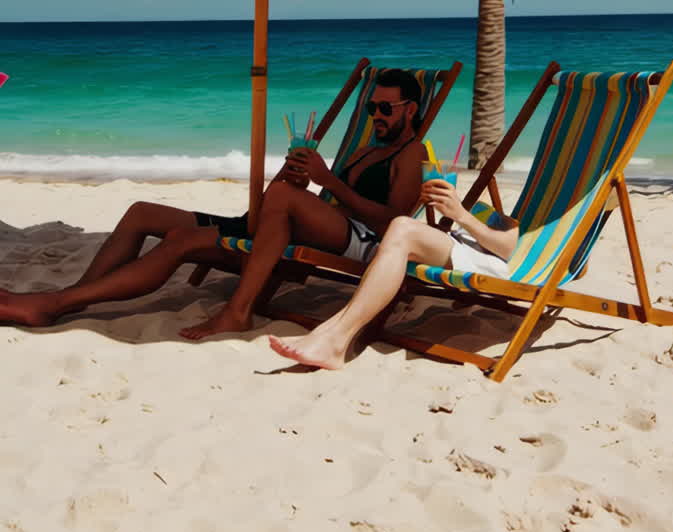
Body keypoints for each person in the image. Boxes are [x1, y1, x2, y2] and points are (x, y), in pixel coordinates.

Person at [0, 70, 426, 333]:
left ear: (411, 109)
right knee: (141, 213)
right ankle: (74, 297)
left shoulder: (411, 154)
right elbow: (303, 199)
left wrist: (327, 180)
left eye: (385, 109)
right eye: (371, 108)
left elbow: (396, 222)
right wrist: (294, 177)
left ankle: (237, 312)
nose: (376, 116)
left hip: (366, 241)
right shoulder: (366, 148)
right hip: (307, 225)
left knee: (193, 236)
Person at [267, 176, 519, 370]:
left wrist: (461, 214)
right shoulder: (503, 206)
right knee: (401, 230)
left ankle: (337, 339)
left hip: (485, 261)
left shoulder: (542, 215)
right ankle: (328, 332)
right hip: (459, 245)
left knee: (402, 228)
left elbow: (507, 248)